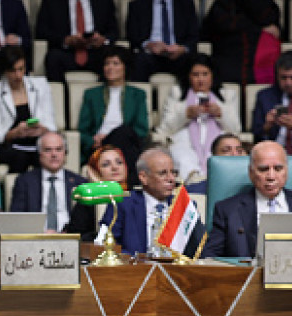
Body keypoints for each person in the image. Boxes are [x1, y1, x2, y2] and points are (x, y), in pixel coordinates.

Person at [203, 141, 292, 258]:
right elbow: (210, 257)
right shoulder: (227, 210)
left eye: (278, 169)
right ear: (251, 172)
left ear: (287, 171)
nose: (271, 177)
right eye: (264, 169)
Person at [101, 146, 206, 257]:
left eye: (173, 172)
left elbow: (201, 249)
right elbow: (106, 247)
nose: (171, 179)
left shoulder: (184, 206)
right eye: (162, 173)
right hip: (136, 270)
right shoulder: (122, 204)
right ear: (144, 177)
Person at [156, 53, 240, 184]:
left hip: (217, 142)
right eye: (195, 74)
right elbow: (165, 128)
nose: (201, 79)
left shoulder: (227, 95)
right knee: (183, 160)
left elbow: (236, 130)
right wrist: (186, 114)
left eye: (205, 74)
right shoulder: (176, 93)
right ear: (188, 76)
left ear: (212, 75)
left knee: (219, 157)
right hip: (184, 141)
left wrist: (220, 114)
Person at [78, 45, 148, 187]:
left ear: (125, 67)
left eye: (115, 63)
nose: (110, 67)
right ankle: (131, 185)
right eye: (107, 63)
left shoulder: (138, 95)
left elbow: (142, 129)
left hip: (126, 141)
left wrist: (111, 136)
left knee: (123, 132)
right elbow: (82, 130)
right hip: (99, 146)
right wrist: (93, 141)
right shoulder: (91, 94)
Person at [0, 46, 57, 174]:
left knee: (44, 156)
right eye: (13, 71)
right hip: (10, 146)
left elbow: (51, 124)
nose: (18, 75)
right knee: (20, 158)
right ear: (5, 71)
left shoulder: (40, 85)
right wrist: (14, 133)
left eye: (21, 69)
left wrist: (42, 129)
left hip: (38, 143)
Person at [9, 132, 94, 238]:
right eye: (48, 150)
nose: (54, 154)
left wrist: (68, 233)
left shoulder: (81, 183)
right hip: (36, 238)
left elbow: (87, 224)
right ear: (40, 154)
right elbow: (17, 219)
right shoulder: (24, 181)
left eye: (58, 149)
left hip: (71, 239)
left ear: (65, 154)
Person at [37, 0, 119, 83]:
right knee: (53, 58)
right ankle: (60, 94)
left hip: (95, 51)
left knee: (112, 58)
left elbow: (114, 31)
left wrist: (103, 40)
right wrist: (65, 40)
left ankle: (102, 94)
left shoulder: (104, 2)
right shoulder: (51, 2)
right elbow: (41, 31)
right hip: (67, 51)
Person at [201, 0, 281, 84]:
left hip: (258, 66)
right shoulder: (221, 4)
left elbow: (269, 19)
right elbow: (222, 25)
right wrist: (258, 29)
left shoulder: (266, 5)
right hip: (228, 64)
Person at [125, 0, 200, 83]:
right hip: (149, 55)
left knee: (193, 61)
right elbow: (132, 35)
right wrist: (149, 45)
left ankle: (187, 95)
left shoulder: (186, 4)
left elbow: (194, 35)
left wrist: (182, 49)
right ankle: (140, 95)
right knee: (138, 61)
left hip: (178, 54)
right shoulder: (137, 5)